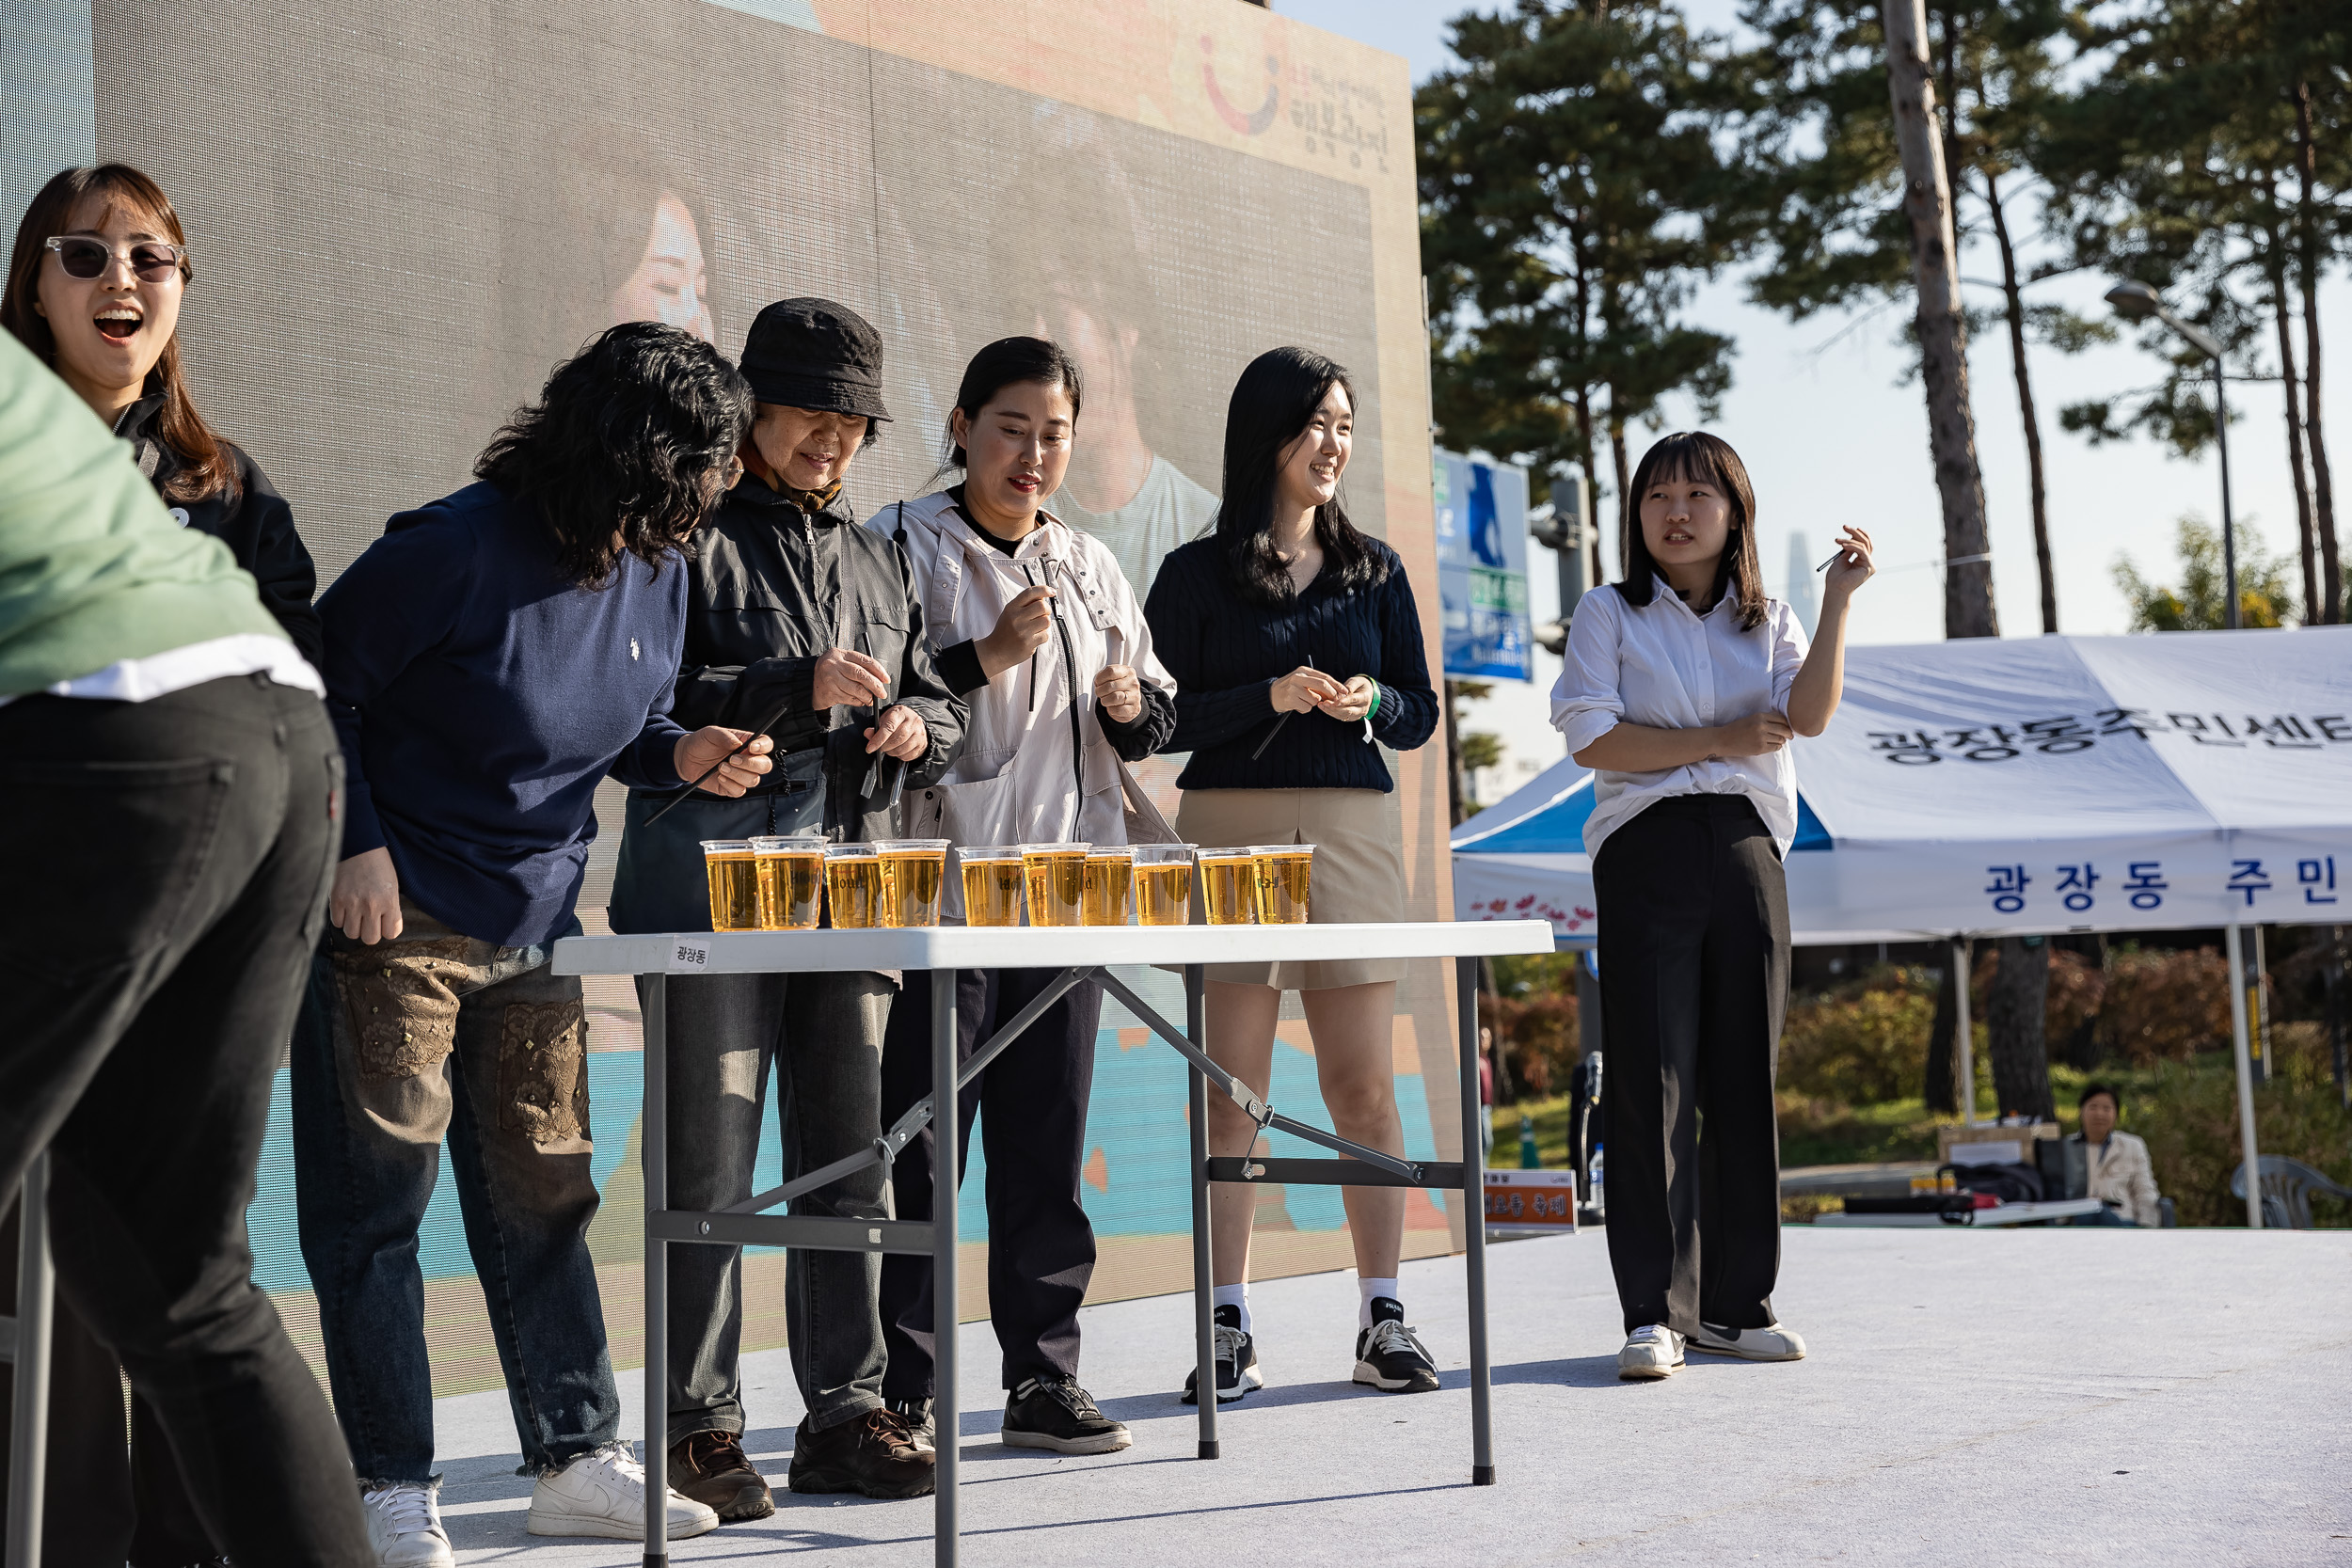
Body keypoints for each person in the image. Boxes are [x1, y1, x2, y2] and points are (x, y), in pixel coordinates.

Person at [294, 323, 769, 1563]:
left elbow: (632, 718)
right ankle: (390, 1484)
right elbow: (312, 682)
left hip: (542, 926)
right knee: (377, 1209)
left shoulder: (659, 563)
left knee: (548, 1194)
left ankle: (572, 1458)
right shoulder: (449, 548)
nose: (729, 484)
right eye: (713, 462)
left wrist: (682, 755)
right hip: (394, 925)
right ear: (647, 456)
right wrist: (356, 847)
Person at [0, 161, 333, 1568]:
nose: (119, 283)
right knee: (172, 1264)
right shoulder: (41, 425)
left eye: (149, 257)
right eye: (84, 256)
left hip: (128, 759)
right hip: (260, 749)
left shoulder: (222, 473)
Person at [609, 297, 962, 1512]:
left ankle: (848, 1411)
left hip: (851, 891)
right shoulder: (682, 530)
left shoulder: (878, 554)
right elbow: (634, 700)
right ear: (752, 404)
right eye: (813, 410)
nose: (834, 439)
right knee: (707, 1164)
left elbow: (933, 695)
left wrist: (924, 725)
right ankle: (697, 1426)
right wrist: (785, 684)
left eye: (855, 419)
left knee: (849, 1164)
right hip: (708, 894)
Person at [873, 336, 1177, 1454]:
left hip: (1066, 889)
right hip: (939, 899)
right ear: (959, 425)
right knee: (920, 1145)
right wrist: (983, 656)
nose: (1034, 453)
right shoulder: (899, 544)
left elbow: (1154, 714)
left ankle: (1041, 1377)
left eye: (1055, 433)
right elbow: (877, 709)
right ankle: (899, 1388)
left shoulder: (1092, 562)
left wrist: (1127, 703)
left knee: (1047, 1143)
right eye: (1012, 427)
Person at [1143, 345, 1439, 1403]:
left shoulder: (1379, 571)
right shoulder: (1191, 573)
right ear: (1265, 432)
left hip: (1356, 831)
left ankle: (1381, 1314)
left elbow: (1419, 709)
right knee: (1234, 1095)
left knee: (1362, 1086)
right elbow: (1152, 720)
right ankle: (1226, 1322)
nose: (1335, 443)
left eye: (1347, 424)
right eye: (1317, 421)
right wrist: (1263, 697)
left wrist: (1369, 705)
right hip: (1228, 833)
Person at [1550, 431, 1874, 1382]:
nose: (1675, 511)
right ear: (1634, 514)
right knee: (1652, 1078)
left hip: (1744, 844)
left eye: (1697, 493)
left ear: (1734, 512)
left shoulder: (1766, 616)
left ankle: (1737, 1304)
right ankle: (1652, 1309)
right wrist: (1722, 735)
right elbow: (1595, 743)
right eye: (1656, 495)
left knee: (1742, 1076)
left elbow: (1805, 716)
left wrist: (1838, 603)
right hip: (1641, 846)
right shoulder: (1608, 611)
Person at [2070, 1083, 2161, 1226]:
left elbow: (2145, 1191)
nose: (2099, 1114)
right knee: (2092, 1215)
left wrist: (2147, 1228)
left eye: (2107, 1108)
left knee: (2104, 1216)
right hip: (2078, 1222)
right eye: (2093, 1107)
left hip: (2122, 1222)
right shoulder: (2067, 1147)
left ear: (2116, 1114)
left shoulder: (2133, 1146)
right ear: (2081, 1111)